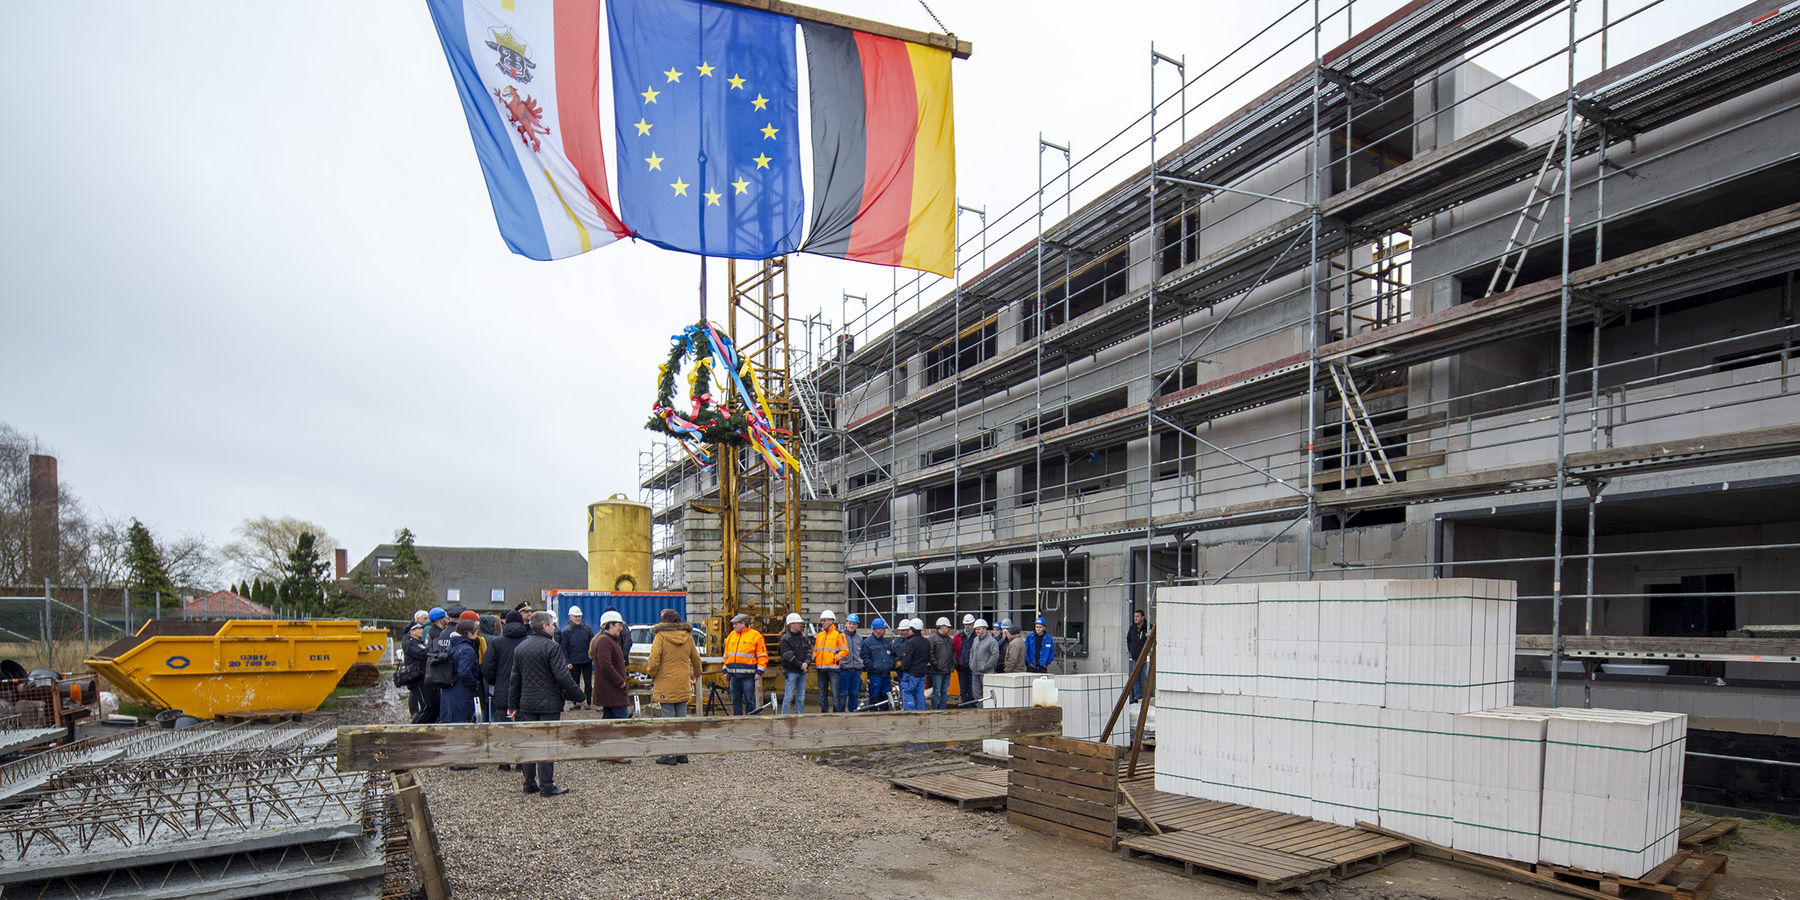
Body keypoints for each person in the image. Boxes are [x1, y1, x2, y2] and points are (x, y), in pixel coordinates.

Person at [508, 611, 585, 795]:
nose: (554, 627)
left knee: (530, 742)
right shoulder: (552, 647)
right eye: (552, 624)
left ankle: (529, 783)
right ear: (544, 626)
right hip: (549, 703)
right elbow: (563, 676)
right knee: (547, 744)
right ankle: (547, 785)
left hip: (527, 703)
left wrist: (513, 705)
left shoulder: (521, 647)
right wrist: (579, 696)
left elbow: (515, 679)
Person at [646, 608, 703, 765]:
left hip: (665, 683)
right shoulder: (688, 636)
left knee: (668, 719)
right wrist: (697, 673)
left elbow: (653, 661)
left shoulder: (661, 636)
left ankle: (670, 754)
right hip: (683, 683)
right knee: (682, 717)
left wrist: (652, 674)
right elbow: (696, 658)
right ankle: (682, 753)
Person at [588, 610, 633, 735]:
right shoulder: (605, 641)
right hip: (613, 692)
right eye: (619, 625)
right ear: (610, 625)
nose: (621, 628)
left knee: (608, 724)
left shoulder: (608, 640)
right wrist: (620, 682)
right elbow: (606, 665)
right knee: (623, 724)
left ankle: (607, 744)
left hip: (610, 692)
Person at [721, 613, 768, 715]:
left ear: (743, 624)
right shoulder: (731, 636)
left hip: (748, 676)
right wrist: (725, 670)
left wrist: (759, 672)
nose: (733, 626)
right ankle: (738, 721)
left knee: (749, 701)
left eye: (735, 624)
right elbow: (726, 655)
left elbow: (762, 655)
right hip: (733, 676)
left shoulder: (755, 636)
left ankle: (750, 721)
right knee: (735, 701)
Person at [438, 619, 482, 725]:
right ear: (469, 634)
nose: (477, 636)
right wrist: (474, 685)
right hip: (462, 695)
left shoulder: (451, 646)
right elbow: (464, 672)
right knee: (461, 726)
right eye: (476, 633)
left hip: (448, 692)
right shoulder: (467, 650)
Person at [412, 607, 452, 724]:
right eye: (445, 617)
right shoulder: (437, 633)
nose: (447, 619)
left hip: (431, 670)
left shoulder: (431, 631)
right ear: (440, 619)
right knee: (433, 706)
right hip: (435, 671)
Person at [559, 606, 595, 710]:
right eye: (576, 616)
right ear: (571, 617)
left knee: (588, 682)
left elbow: (592, 644)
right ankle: (576, 703)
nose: (578, 618)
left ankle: (588, 702)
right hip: (574, 662)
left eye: (579, 616)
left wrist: (593, 658)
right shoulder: (567, 631)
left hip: (586, 660)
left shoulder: (587, 629)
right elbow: (564, 647)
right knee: (575, 683)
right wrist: (567, 661)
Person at [811, 610, 847, 713]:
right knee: (822, 695)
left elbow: (845, 650)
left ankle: (836, 716)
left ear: (831, 621)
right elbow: (816, 649)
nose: (822, 622)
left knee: (835, 696)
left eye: (824, 620)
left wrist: (834, 658)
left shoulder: (839, 634)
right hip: (821, 669)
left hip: (833, 670)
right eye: (821, 620)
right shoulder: (820, 635)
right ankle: (824, 714)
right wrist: (815, 657)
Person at [861, 618, 898, 711]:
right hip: (875, 675)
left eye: (884, 629)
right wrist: (873, 667)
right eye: (882, 628)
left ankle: (884, 714)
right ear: (876, 629)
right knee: (875, 696)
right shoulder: (867, 642)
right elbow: (865, 657)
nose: (884, 630)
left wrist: (890, 664)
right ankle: (873, 715)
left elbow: (891, 655)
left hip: (886, 675)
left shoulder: (886, 642)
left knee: (885, 696)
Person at [777, 612, 810, 715]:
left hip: (802, 672)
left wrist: (806, 663)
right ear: (791, 624)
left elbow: (809, 652)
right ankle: (784, 717)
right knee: (788, 697)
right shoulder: (785, 639)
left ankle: (798, 716)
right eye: (798, 623)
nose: (800, 625)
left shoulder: (803, 638)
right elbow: (788, 656)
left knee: (801, 697)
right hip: (791, 672)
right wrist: (802, 665)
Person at [896, 619, 930, 710]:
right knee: (920, 695)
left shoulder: (910, 642)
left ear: (911, 629)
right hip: (922, 673)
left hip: (911, 673)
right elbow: (928, 657)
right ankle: (921, 713)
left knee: (907, 692)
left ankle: (910, 713)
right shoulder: (926, 642)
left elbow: (907, 660)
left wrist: (902, 666)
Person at [967, 619, 999, 706]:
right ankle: (980, 709)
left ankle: (988, 709)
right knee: (976, 694)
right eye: (976, 629)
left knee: (987, 693)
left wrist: (986, 666)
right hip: (975, 672)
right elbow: (972, 652)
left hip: (986, 673)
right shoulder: (975, 640)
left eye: (979, 629)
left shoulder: (992, 641)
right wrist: (971, 664)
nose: (976, 631)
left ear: (985, 629)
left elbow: (995, 655)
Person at [838, 614, 866, 712]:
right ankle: (840, 714)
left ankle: (853, 714)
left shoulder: (859, 638)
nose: (851, 626)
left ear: (857, 625)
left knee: (854, 694)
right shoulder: (840, 636)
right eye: (850, 623)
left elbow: (861, 652)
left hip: (856, 670)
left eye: (854, 624)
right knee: (843, 694)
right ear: (846, 624)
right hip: (844, 669)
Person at [926, 617, 955, 710]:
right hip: (937, 671)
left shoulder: (949, 639)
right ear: (942, 627)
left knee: (944, 691)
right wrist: (936, 665)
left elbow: (953, 652)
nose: (948, 629)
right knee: (936, 691)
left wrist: (953, 664)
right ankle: (934, 709)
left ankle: (943, 709)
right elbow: (930, 654)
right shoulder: (932, 639)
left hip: (947, 670)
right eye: (947, 627)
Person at [401, 622, 427, 716]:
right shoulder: (410, 643)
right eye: (418, 628)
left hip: (419, 675)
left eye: (421, 628)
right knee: (426, 706)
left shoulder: (416, 642)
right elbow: (423, 653)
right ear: (412, 632)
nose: (421, 630)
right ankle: (417, 721)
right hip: (416, 677)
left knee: (426, 705)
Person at [1127, 607, 1150, 702]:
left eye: (1137, 616)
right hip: (1135, 657)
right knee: (1135, 678)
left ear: (1142, 617)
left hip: (1146, 658)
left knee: (1148, 676)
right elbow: (1128, 640)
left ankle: (1148, 696)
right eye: (1134, 616)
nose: (1135, 618)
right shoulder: (1132, 628)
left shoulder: (1148, 628)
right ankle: (1138, 696)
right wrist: (1131, 651)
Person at [953, 613, 977, 707]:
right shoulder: (958, 637)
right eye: (966, 625)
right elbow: (953, 650)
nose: (967, 626)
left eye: (969, 624)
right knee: (963, 689)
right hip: (961, 667)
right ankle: (965, 706)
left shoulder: (976, 636)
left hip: (972, 667)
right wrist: (955, 663)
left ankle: (972, 706)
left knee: (972, 689)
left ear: (973, 624)